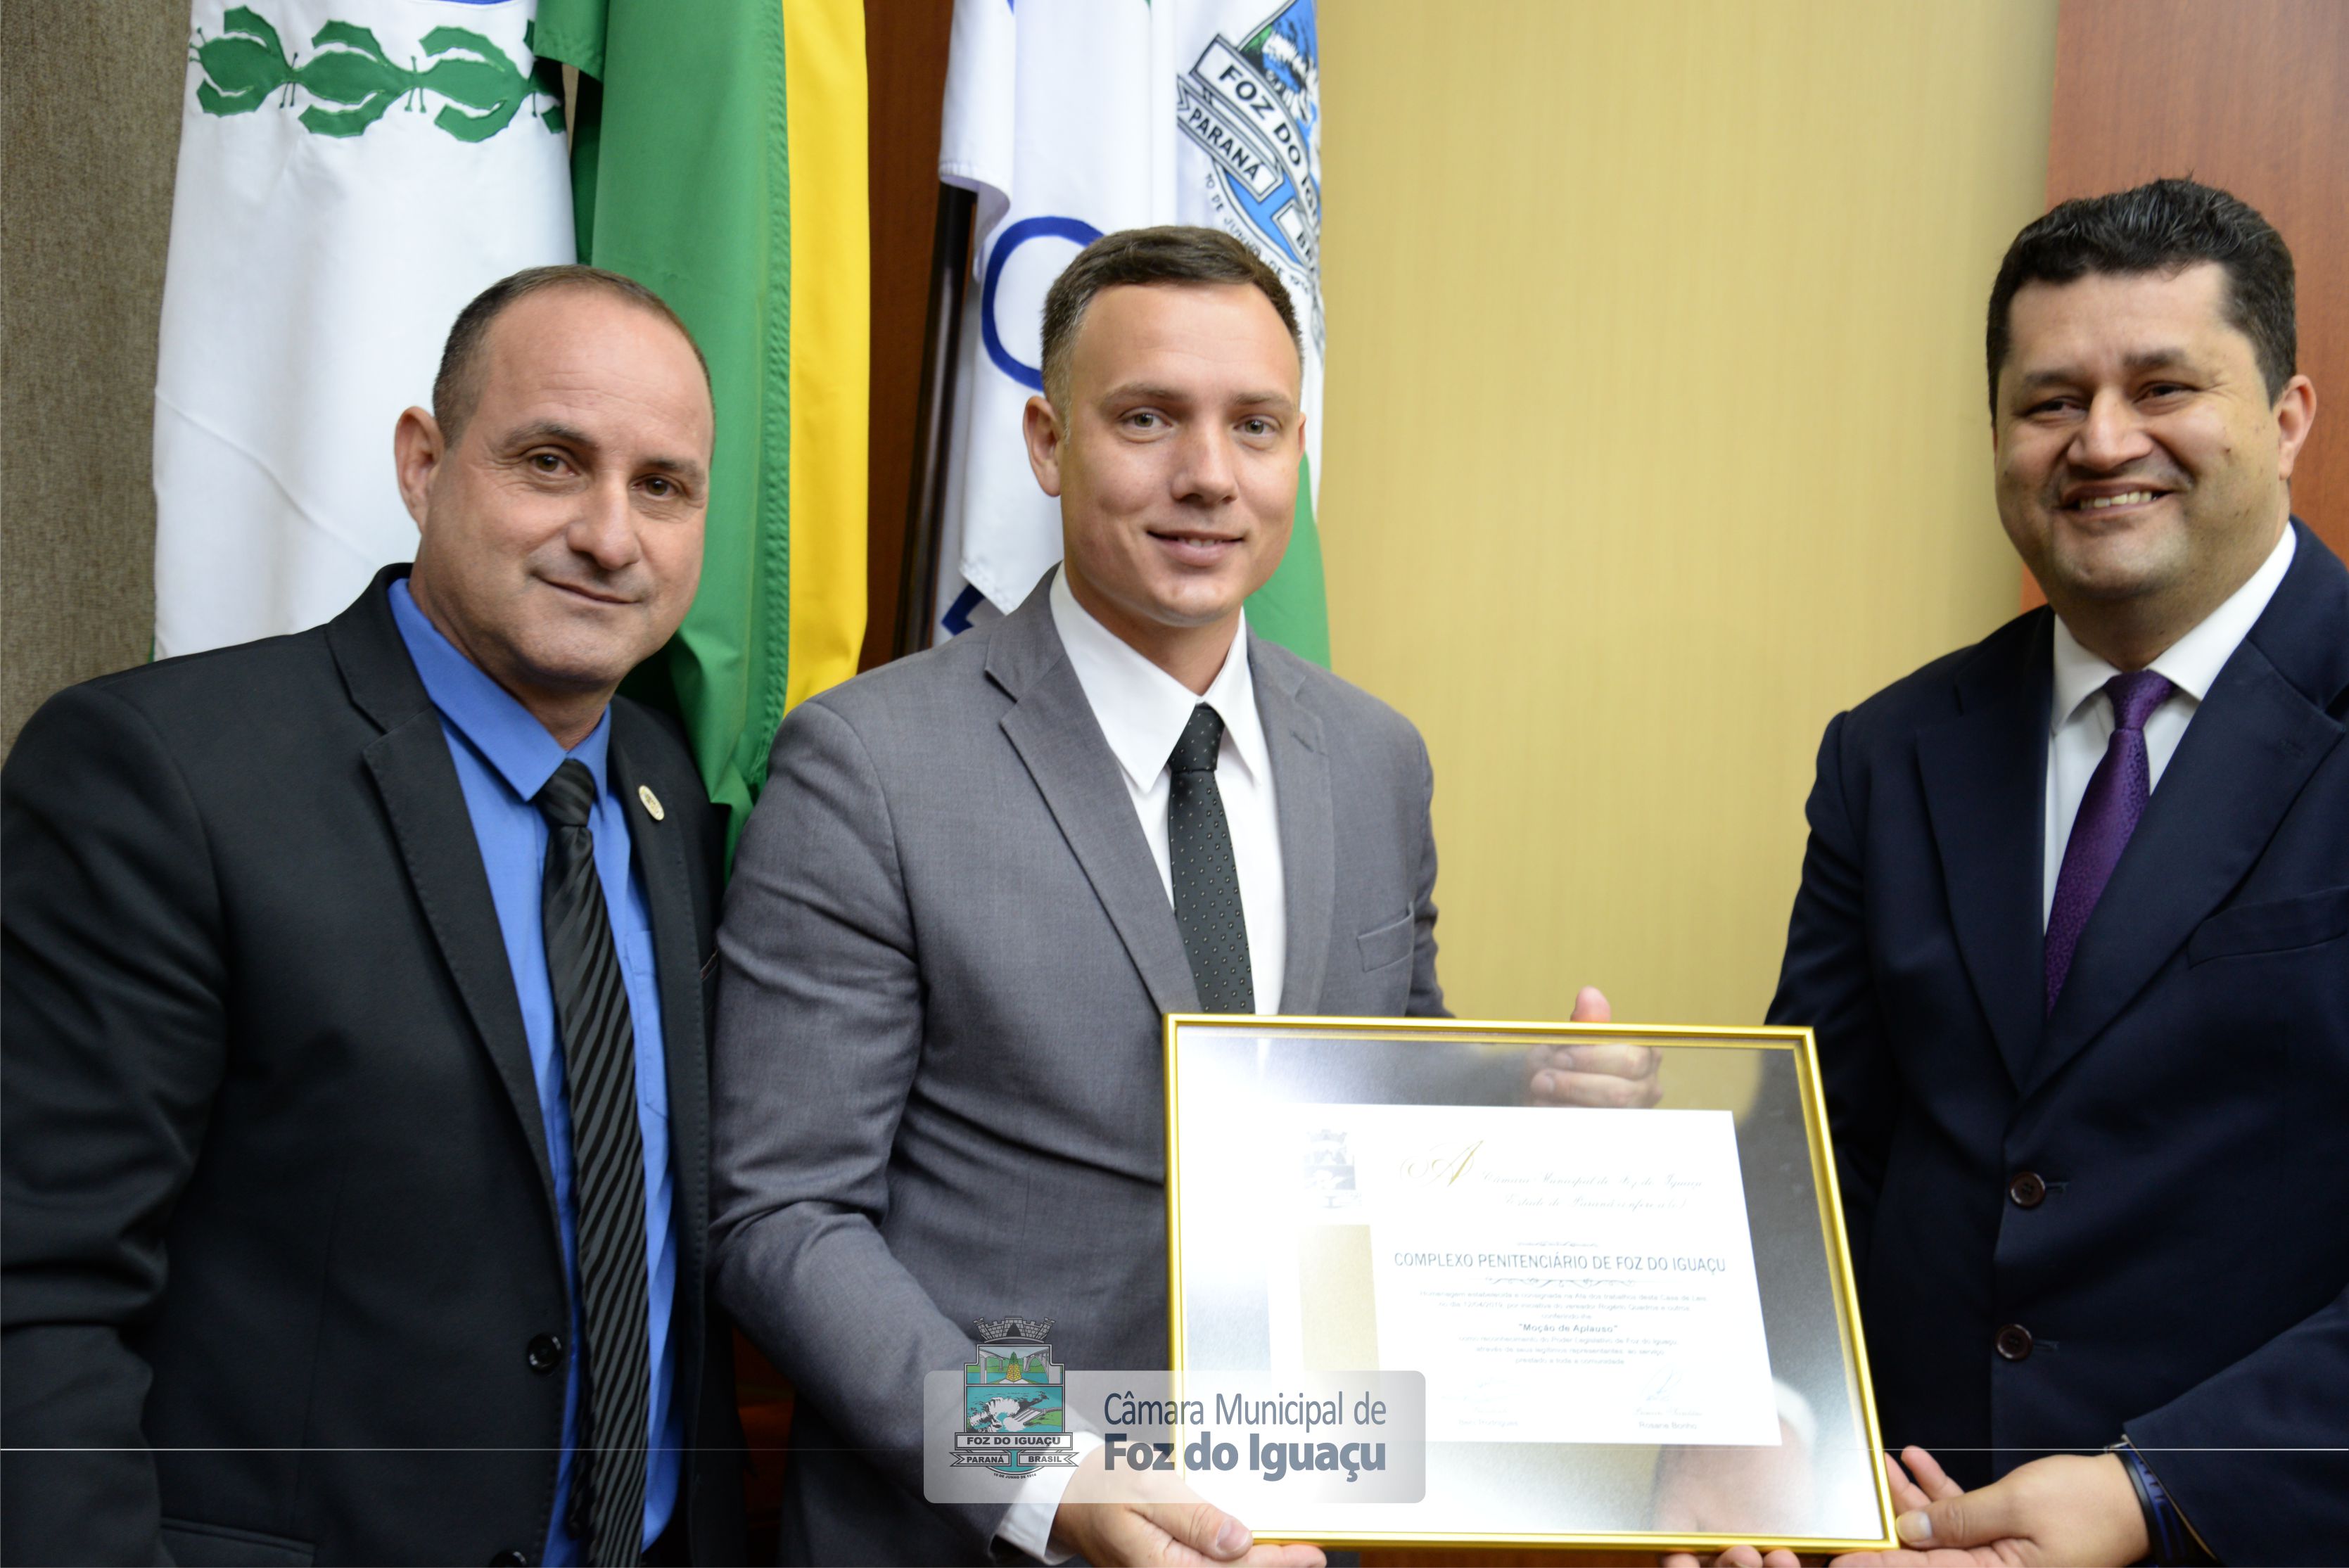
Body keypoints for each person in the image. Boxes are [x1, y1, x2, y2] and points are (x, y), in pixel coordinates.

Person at [710, 226, 1645, 1567]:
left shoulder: (1378, 760)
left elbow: (1374, 1112)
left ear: (1296, 450)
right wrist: (1044, 1472)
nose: (1208, 475)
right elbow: (784, 1222)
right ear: (1046, 441)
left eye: (1254, 425)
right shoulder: (870, 766)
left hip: (1298, 1529)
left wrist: (1529, 1116)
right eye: (1148, 418)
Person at [2, 266, 746, 1567]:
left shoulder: (664, 792)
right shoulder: (165, 775)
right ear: (423, 462)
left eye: (663, 486)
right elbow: (38, 1289)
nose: (611, 535)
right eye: (553, 461)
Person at [1757, 179, 2345, 1567]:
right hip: (1904, 1532)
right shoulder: (1887, 752)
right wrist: (1772, 1448)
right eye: (2047, 401)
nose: (2098, 441)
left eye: (2160, 385)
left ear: (2284, 419)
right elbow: (1818, 1170)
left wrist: (2154, 1489)